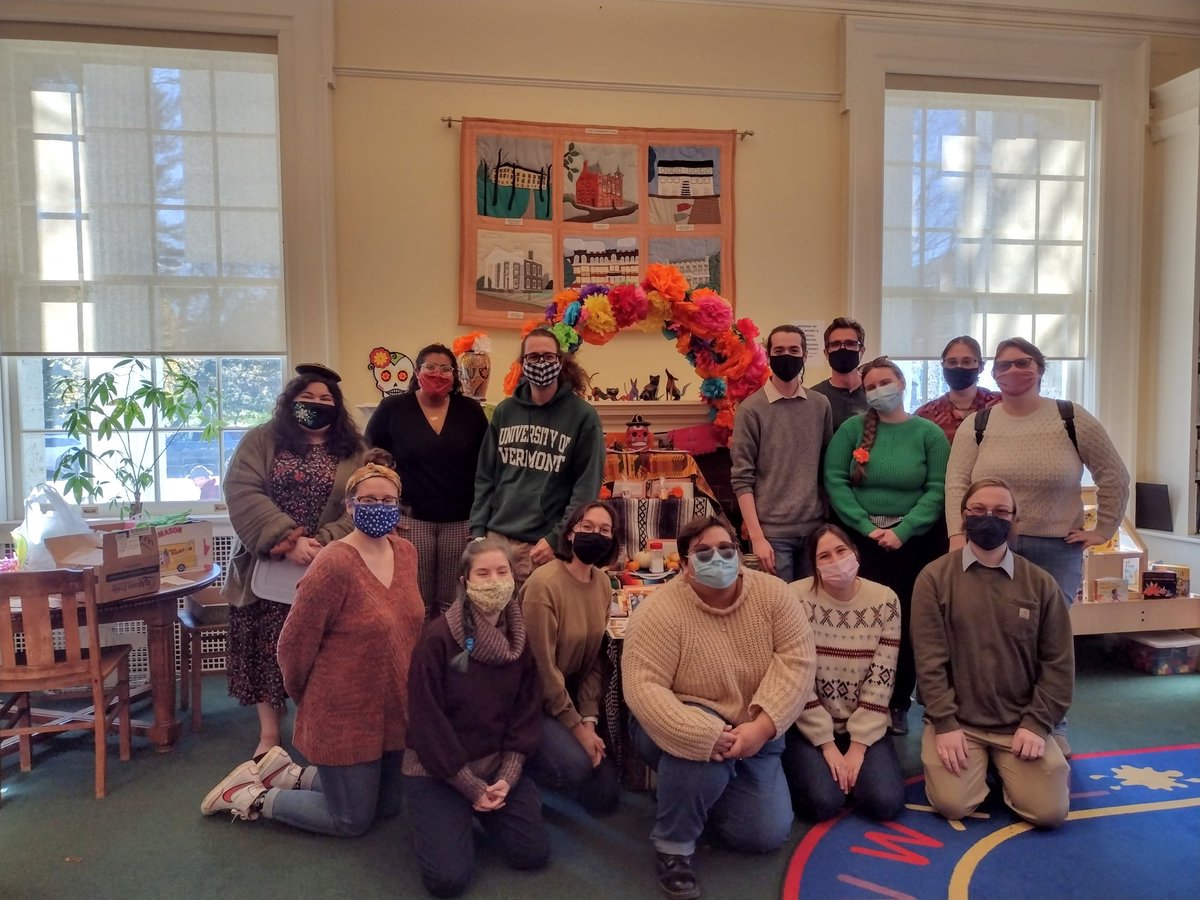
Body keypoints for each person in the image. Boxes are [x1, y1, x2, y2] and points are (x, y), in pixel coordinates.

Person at [201, 462, 425, 833]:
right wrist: (311, 698)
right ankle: (247, 794)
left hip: (391, 709)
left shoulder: (406, 553)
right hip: (344, 714)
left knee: (387, 807)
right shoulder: (333, 563)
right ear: (350, 506)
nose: (380, 507)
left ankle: (290, 775)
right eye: (369, 499)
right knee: (351, 819)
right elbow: (292, 644)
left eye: (389, 500)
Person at [622, 515, 814, 900]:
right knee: (700, 762)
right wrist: (702, 736)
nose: (718, 558)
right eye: (703, 553)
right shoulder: (658, 612)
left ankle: (688, 796)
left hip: (756, 725)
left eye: (726, 550)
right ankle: (673, 847)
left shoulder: (776, 595)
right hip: (684, 720)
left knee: (763, 834)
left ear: (740, 556)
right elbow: (642, 686)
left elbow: (797, 662)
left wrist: (761, 728)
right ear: (686, 566)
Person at [913, 477, 1074, 829]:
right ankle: (985, 767)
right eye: (979, 509)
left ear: (1014, 520)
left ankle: (1004, 768)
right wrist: (945, 723)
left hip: (1020, 724)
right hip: (960, 724)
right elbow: (929, 662)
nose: (990, 517)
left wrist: (1037, 724)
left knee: (1049, 813)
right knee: (953, 804)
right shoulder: (934, 578)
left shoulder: (1041, 583)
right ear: (963, 516)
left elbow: (1059, 664)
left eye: (1001, 511)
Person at [221, 363, 365, 756]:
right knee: (268, 648)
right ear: (290, 403)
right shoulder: (261, 440)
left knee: (321, 651)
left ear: (337, 407)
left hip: (328, 564)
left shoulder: (356, 450)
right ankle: (269, 733)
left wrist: (322, 543)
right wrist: (288, 539)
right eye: (307, 399)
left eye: (325, 400)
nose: (316, 406)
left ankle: (313, 726)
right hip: (266, 564)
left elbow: (362, 500)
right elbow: (242, 489)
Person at [403, 539, 548, 898]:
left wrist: (507, 777)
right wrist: (469, 787)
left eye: (503, 572)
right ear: (465, 581)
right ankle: (439, 814)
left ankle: (475, 813)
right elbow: (426, 723)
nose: (494, 580)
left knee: (531, 854)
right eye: (483, 573)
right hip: (439, 770)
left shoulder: (520, 636)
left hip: (495, 766)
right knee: (448, 881)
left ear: (514, 579)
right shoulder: (437, 639)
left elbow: (526, 712)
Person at [945, 337, 1130, 607]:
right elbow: (956, 485)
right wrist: (957, 536)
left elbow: (1115, 476)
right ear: (994, 374)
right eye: (1004, 365)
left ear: (1040, 368)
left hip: (1057, 551)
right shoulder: (977, 425)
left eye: (1023, 363)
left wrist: (1103, 530)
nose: (1013, 370)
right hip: (989, 543)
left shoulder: (1072, 418)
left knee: (1048, 634)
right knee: (991, 630)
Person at [824, 356, 950, 737]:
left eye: (886, 382)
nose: (880, 391)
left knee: (906, 623)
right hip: (860, 542)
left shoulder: (929, 433)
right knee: (862, 624)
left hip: (914, 543)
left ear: (902, 383)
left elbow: (938, 489)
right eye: (872, 386)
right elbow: (834, 479)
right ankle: (857, 701)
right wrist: (864, 526)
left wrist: (904, 529)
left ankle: (897, 702)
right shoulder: (852, 429)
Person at [783, 524, 904, 822]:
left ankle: (852, 775)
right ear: (814, 566)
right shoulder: (793, 598)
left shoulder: (886, 600)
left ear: (855, 552)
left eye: (841, 551)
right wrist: (826, 744)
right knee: (822, 803)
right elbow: (796, 679)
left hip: (862, 723)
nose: (836, 560)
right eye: (824, 556)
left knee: (884, 803)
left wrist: (858, 748)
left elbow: (881, 680)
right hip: (808, 725)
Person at [470, 327, 605, 589]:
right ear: (522, 363)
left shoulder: (583, 416)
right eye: (533, 357)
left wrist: (558, 537)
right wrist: (478, 532)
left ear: (560, 361)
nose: (541, 363)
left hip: (541, 547)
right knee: (491, 623)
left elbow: (586, 487)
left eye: (548, 356)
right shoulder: (505, 411)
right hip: (496, 538)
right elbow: (485, 476)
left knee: (535, 627)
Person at [366, 342, 488, 615]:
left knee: (453, 602)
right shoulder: (393, 407)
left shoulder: (470, 410)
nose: (438, 374)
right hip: (410, 521)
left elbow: (486, 466)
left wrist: (481, 520)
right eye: (430, 367)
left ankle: (447, 654)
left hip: (461, 522)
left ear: (455, 375)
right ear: (417, 371)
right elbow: (370, 459)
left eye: (446, 369)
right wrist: (386, 512)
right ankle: (417, 657)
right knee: (414, 602)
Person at [521, 500, 621, 814]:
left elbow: (593, 661)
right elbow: (543, 670)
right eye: (587, 527)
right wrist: (576, 728)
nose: (596, 535)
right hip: (531, 701)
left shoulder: (603, 584)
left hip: (569, 700)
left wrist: (589, 721)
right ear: (570, 533)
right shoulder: (544, 585)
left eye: (605, 530)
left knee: (605, 795)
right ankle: (518, 771)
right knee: (576, 767)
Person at [732, 324, 833, 581]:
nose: (786, 355)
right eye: (779, 350)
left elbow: (826, 466)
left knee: (813, 610)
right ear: (768, 355)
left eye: (793, 349)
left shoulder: (820, 405)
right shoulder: (751, 409)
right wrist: (757, 537)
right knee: (778, 612)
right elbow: (742, 478)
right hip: (772, 536)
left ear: (804, 355)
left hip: (814, 530)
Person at [914, 335, 1002, 445]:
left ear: (981, 367)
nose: (959, 367)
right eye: (952, 362)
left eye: (967, 361)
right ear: (943, 366)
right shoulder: (925, 415)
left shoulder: (1000, 404)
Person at [810, 317, 869, 429]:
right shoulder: (815, 398)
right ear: (826, 353)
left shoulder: (875, 392)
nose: (843, 348)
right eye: (835, 344)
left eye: (850, 343)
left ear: (861, 351)